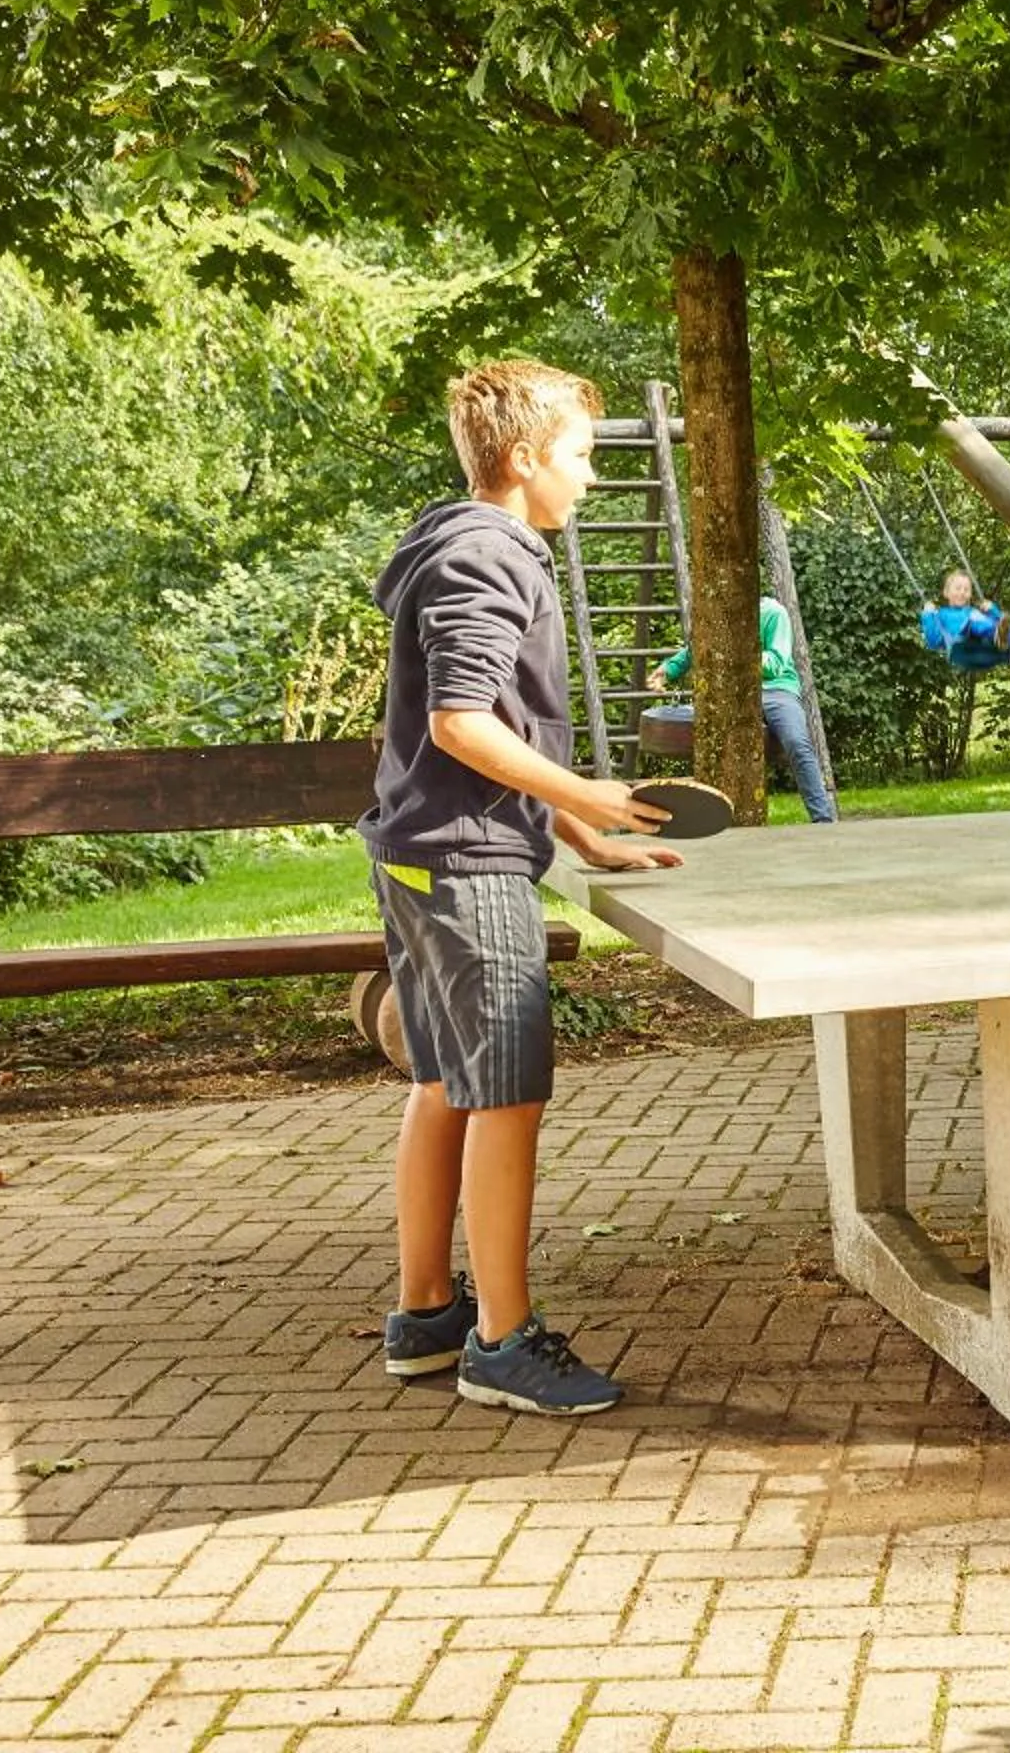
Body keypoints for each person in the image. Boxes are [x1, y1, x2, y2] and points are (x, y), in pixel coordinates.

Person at [361, 358, 685, 1418]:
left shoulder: (444, 539)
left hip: (417, 849)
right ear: (527, 457)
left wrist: (579, 829)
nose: (590, 479)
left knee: (445, 1079)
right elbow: (463, 722)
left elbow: (450, 743)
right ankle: (502, 1339)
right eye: (582, 458)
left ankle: (426, 1313)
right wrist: (584, 783)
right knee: (507, 1091)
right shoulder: (494, 557)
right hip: (465, 868)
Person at [646, 595, 837, 822]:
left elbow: (776, 664)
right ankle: (706, 818)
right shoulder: (717, 617)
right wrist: (666, 671)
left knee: (797, 743)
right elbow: (694, 651)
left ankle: (823, 819)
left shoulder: (773, 613)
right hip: (731, 695)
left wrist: (737, 652)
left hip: (775, 692)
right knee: (706, 741)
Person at [919, 568, 1010, 671]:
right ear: (946, 592)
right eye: (958, 588)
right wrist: (928, 615)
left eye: (966, 589)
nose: (962, 592)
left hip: (982, 650)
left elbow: (1003, 621)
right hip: (960, 649)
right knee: (974, 618)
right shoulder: (941, 614)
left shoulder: (973, 611)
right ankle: (996, 634)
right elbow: (933, 642)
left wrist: (992, 609)